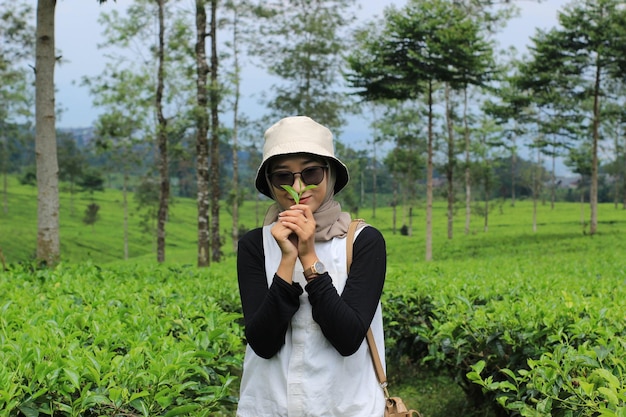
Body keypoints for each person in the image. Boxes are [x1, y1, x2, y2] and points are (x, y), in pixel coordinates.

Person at [236, 116, 387, 417]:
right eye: (283, 177)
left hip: (347, 409)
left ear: (329, 175)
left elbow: (347, 339)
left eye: (311, 172)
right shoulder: (255, 246)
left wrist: (308, 257)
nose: (298, 186)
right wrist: (287, 258)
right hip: (269, 407)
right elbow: (263, 343)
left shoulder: (363, 242)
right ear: (270, 183)